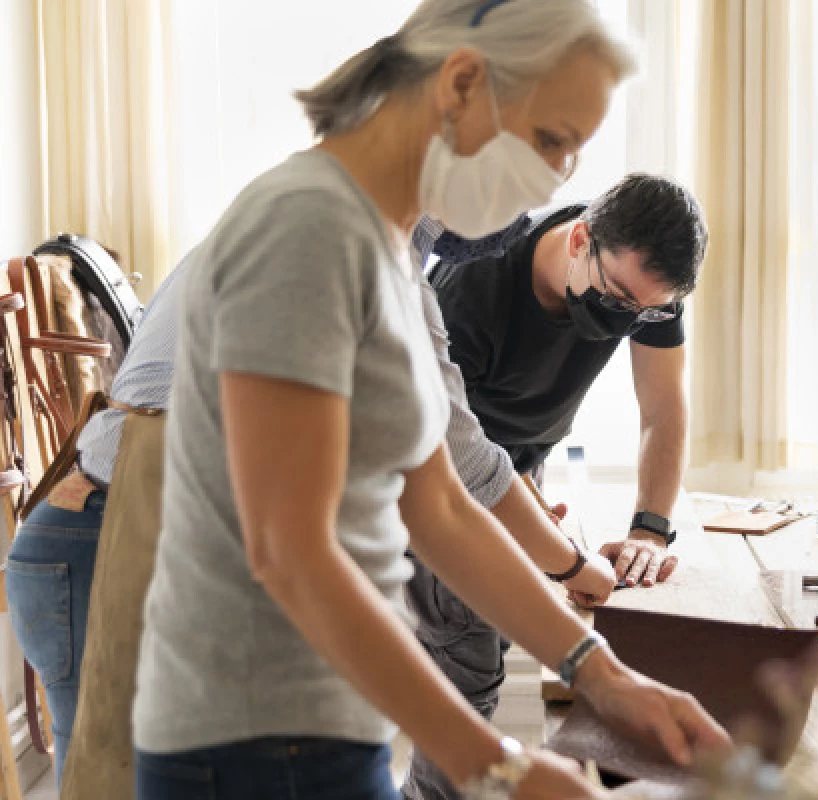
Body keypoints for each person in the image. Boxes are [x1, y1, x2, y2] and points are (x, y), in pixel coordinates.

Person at [117, 2, 726, 798]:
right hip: (248, 739)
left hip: (330, 724)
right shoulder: (308, 226)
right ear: (464, 83)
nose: (557, 181)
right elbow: (291, 552)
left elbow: (438, 504)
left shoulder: (396, 260)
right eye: (552, 141)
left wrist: (603, 675)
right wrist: (494, 762)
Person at [407, 174, 704, 797]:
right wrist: (569, 564)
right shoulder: (475, 287)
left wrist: (649, 526)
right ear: (579, 240)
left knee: (490, 648)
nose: (631, 320)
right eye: (620, 298)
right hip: (438, 474)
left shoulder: (642, 281)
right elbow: (463, 459)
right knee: (468, 656)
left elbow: (663, 409)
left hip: (515, 463)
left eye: (649, 311)